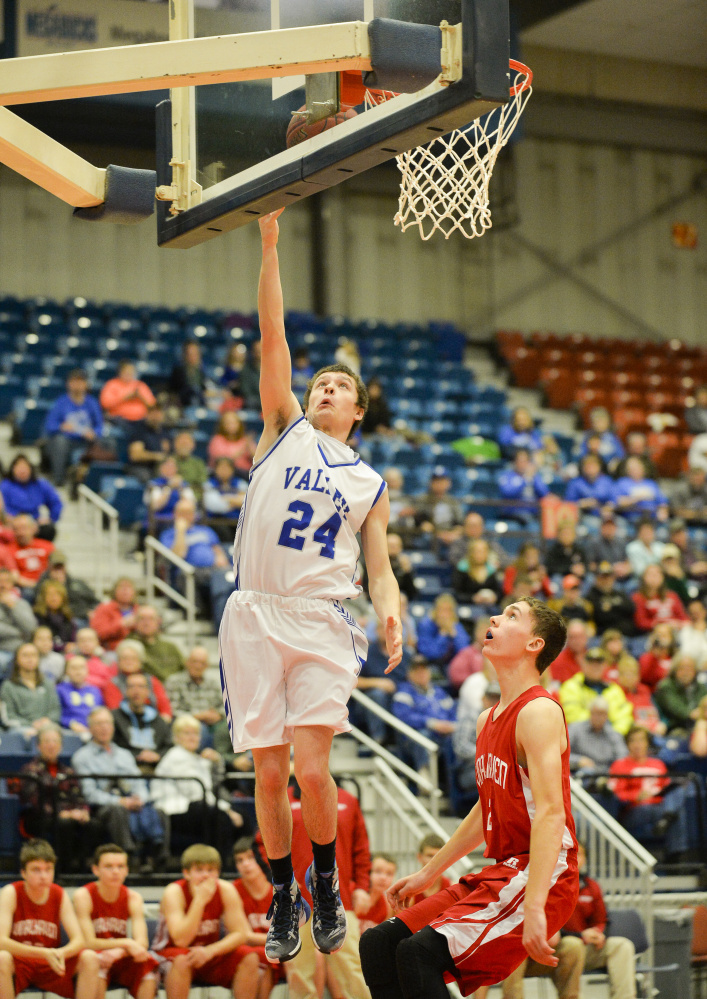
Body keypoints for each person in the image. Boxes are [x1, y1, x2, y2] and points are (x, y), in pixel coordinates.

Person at [218, 210, 402, 964]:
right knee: (267, 768)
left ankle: (325, 879)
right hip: (254, 613)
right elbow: (273, 337)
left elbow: (381, 567)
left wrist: (391, 613)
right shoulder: (282, 426)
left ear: (357, 412)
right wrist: (267, 247)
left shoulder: (368, 479)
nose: (324, 387)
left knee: (314, 766)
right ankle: (282, 892)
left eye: (339, 386)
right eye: (320, 381)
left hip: (323, 616)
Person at [359, 597, 578, 998]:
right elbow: (486, 809)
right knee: (379, 944)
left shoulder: (539, 711)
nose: (496, 617)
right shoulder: (486, 719)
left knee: (418, 954)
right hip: (500, 871)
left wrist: (534, 907)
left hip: (543, 873)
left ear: (535, 645)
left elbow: (551, 813)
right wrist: (428, 873)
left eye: (513, 616)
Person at [499, 840, 630, 999]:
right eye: (568, 854)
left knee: (622, 945)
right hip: (550, 945)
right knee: (570, 945)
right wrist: (581, 936)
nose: (573, 858)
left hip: (582, 945)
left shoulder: (591, 886)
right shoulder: (543, 883)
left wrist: (598, 932)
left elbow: (602, 919)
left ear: (585, 859)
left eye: (578, 854)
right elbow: (549, 930)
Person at [286, 780, 373, 999]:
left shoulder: (347, 800)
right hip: (296, 901)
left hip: (339, 898)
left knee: (352, 966)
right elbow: (263, 844)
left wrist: (362, 887)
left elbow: (361, 848)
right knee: (299, 971)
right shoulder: (283, 798)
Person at [151, 843, 260, 999]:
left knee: (249, 957)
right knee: (182, 960)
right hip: (169, 952)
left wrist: (210, 951)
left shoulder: (225, 889)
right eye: (199, 870)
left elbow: (240, 934)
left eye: (211, 870)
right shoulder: (174, 892)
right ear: (186, 873)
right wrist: (199, 901)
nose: (206, 876)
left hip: (207, 953)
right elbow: (181, 940)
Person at [0, 839, 101, 999]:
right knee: (1, 958)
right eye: (36, 870)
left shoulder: (59, 894)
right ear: (23, 872)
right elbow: (1, 941)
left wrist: (60, 952)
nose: (43, 876)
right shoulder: (11, 892)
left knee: (90, 958)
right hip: (20, 962)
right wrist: (43, 953)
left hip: (51, 963)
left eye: (48, 869)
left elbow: (79, 940)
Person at [72, 707, 166, 870]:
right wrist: (120, 801)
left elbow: (139, 783)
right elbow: (90, 794)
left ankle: (158, 860)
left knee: (159, 811)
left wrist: (139, 798)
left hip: (130, 801)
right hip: (102, 808)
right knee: (118, 810)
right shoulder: (82, 757)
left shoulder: (125, 754)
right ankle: (128, 857)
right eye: (99, 724)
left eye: (108, 723)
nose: (104, 728)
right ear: (91, 728)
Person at [151, 714, 245, 869]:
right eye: (187, 733)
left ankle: (240, 864)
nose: (192, 737)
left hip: (195, 806)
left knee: (243, 816)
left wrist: (217, 762)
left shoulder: (197, 758)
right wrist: (227, 810)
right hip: (175, 811)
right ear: (177, 737)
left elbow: (216, 784)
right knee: (220, 817)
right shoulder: (176, 757)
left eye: (195, 733)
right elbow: (195, 793)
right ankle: (221, 867)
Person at [73, 843, 159, 999]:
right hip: (93, 957)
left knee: (147, 967)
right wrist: (127, 943)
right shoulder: (83, 895)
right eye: (109, 867)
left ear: (127, 870)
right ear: (95, 870)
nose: (115, 872)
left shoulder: (133, 897)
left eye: (120, 866)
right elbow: (88, 942)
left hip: (119, 956)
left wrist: (120, 951)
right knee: (96, 964)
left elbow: (142, 942)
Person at [16, 724, 92, 872]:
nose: (51, 745)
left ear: (61, 746)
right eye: (47, 741)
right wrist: (61, 813)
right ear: (38, 745)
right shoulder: (30, 770)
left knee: (93, 824)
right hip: (38, 817)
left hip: (67, 815)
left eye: (55, 741)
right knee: (64, 824)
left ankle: (82, 868)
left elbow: (78, 795)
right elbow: (35, 800)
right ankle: (63, 871)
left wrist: (83, 811)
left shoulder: (68, 770)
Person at [609, 726, 691, 861]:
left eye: (641, 740)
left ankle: (674, 856)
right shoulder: (619, 765)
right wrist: (635, 796)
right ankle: (667, 818)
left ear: (647, 743)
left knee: (680, 792)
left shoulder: (658, 764)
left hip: (660, 805)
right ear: (627, 744)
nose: (637, 745)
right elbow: (615, 794)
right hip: (636, 809)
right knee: (674, 812)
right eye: (633, 741)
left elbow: (668, 788)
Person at [159, 498, 229, 618]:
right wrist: (180, 531)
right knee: (184, 576)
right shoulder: (169, 534)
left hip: (213, 569)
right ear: (175, 514)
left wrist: (221, 560)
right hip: (190, 571)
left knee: (227, 577)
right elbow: (178, 556)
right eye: (181, 512)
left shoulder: (206, 530)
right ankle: (199, 614)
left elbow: (217, 550)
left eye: (188, 512)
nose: (185, 516)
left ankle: (224, 615)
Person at [392, 655, 456, 775]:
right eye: (417, 670)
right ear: (409, 673)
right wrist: (431, 723)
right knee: (423, 735)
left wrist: (452, 725)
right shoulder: (404, 691)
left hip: (443, 735)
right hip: (415, 738)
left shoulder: (439, 692)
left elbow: (453, 712)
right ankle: (425, 776)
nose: (421, 673)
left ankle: (455, 783)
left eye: (424, 670)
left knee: (457, 736)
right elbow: (404, 716)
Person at [232, 838, 281, 994]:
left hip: (277, 953)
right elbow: (242, 936)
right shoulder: (232, 891)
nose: (245, 864)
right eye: (239, 860)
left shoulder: (280, 891)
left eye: (250, 858)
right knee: (257, 956)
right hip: (248, 952)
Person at [43, 369, 104, 486]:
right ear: (68, 384)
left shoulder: (92, 403)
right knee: (59, 441)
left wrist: (94, 432)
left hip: (86, 441)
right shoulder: (61, 402)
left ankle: (92, 484)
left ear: (86, 384)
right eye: (74, 382)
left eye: (80, 382)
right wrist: (61, 426)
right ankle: (59, 479)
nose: (77, 385)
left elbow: (99, 426)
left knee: (107, 443)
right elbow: (50, 425)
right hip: (67, 441)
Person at [559, 647, 633, 736]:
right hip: (583, 736)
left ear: (605, 666)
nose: (595, 667)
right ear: (583, 664)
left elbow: (624, 716)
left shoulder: (614, 689)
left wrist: (614, 733)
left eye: (599, 663)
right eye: (591, 663)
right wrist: (598, 726)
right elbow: (572, 715)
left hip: (612, 738)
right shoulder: (571, 686)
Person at [111, 672, 173, 775]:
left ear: (148, 691)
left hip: (157, 770)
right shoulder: (115, 717)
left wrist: (158, 755)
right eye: (132, 687)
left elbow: (169, 746)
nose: (136, 691)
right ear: (126, 691)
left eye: (141, 686)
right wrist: (137, 755)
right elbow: (110, 746)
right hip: (125, 769)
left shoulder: (157, 719)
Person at [164, 646, 225, 742]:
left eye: (202, 663)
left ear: (207, 666)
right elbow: (173, 711)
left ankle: (226, 756)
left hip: (214, 723)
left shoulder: (213, 683)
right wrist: (198, 716)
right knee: (200, 729)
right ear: (186, 662)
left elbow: (225, 706)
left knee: (230, 727)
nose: (198, 666)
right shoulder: (174, 681)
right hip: (186, 723)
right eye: (194, 661)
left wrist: (219, 715)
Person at [0, 643, 61, 737]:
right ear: (16, 660)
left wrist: (47, 721)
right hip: (20, 729)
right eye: (25, 655)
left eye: (33, 655)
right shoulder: (8, 686)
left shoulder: (47, 684)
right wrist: (31, 725)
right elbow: (8, 717)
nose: (30, 659)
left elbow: (55, 710)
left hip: (47, 728)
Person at [102, 639, 172, 719]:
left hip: (155, 723)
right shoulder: (113, 684)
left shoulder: (152, 681)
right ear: (118, 661)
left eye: (133, 658)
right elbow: (115, 711)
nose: (129, 662)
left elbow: (165, 709)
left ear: (140, 661)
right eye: (125, 658)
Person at [0, 456, 62, 541]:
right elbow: (2, 509)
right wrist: (8, 520)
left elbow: (56, 503)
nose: (22, 471)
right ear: (13, 470)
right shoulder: (5, 486)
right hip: (12, 522)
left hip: (33, 522)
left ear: (31, 469)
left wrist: (50, 518)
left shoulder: (40, 484)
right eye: (19, 468)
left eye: (25, 468)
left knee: (48, 529)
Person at [35, 549, 99, 624]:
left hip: (83, 617)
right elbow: (44, 605)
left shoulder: (77, 583)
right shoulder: (43, 585)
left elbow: (95, 601)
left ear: (65, 567)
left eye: (60, 567)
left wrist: (92, 611)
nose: (58, 571)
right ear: (49, 567)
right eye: (56, 567)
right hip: (60, 620)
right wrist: (58, 585)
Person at [567, 697, 627, 773]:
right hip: (580, 773)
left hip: (607, 773)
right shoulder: (575, 729)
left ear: (607, 716)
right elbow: (562, 754)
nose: (599, 717)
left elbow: (622, 757)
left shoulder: (613, 734)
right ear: (590, 713)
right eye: (596, 713)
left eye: (602, 714)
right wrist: (578, 760)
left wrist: (615, 768)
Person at [128, 604, 185, 683]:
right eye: (142, 619)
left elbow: (185, 670)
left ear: (158, 621)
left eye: (150, 619)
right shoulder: (129, 647)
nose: (146, 623)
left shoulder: (170, 647)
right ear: (135, 622)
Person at [654, 654, 707, 735]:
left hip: (698, 726)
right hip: (675, 727)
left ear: (695, 671)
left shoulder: (701, 687)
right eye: (682, 668)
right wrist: (692, 714)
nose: (686, 672)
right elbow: (676, 709)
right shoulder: (666, 686)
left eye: (689, 668)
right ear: (675, 670)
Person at [416, 593, 470, 668]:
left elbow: (465, 653)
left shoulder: (456, 626)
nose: (445, 615)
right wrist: (443, 634)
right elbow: (429, 654)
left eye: (448, 611)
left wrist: (454, 635)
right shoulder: (425, 625)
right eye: (442, 610)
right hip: (431, 666)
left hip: (452, 667)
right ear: (435, 611)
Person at [56, 654, 104, 738]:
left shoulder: (95, 691)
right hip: (69, 732)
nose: (78, 672)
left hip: (93, 732)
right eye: (74, 668)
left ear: (87, 670)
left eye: (82, 667)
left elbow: (101, 713)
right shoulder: (60, 690)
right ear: (66, 671)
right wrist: (70, 723)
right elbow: (55, 714)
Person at [632, 564, 688, 634]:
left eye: (658, 574)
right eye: (651, 574)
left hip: (676, 630)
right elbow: (641, 622)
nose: (654, 577)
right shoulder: (638, 597)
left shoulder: (672, 595)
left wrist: (681, 624)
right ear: (643, 578)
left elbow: (683, 617)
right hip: (652, 633)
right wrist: (663, 624)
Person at [0, 567, 37, 671]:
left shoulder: (21, 604)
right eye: (0, 581)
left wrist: (14, 607)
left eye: (6, 581)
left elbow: (31, 628)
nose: (3, 585)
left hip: (22, 650)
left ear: (12, 584)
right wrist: (18, 632)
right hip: (2, 649)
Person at [612, 457, 668, 523]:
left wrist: (663, 511)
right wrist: (636, 498)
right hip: (630, 517)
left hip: (652, 517)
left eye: (638, 467)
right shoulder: (622, 483)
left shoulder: (650, 483)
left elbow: (662, 501)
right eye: (632, 468)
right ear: (627, 470)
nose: (636, 470)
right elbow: (618, 501)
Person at [451, 539, 504, 610]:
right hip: (467, 608)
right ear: (471, 552)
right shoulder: (462, 569)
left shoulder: (491, 569)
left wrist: (494, 597)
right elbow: (457, 594)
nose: (480, 554)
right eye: (477, 551)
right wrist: (473, 598)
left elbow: (498, 592)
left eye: (483, 551)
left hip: (489, 608)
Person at [89, 577, 139, 651]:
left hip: (137, 649)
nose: (125, 591)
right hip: (112, 649)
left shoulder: (139, 610)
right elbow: (98, 633)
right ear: (114, 591)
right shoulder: (104, 609)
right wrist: (121, 624)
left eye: (128, 587)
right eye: (121, 587)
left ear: (134, 592)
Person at [4, 514, 54, 587]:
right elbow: (12, 576)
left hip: (47, 584)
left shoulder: (48, 546)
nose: (21, 533)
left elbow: (57, 569)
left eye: (24, 528)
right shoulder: (8, 550)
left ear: (33, 528)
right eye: (16, 529)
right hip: (22, 587)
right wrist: (35, 585)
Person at [586, 563, 636, 636]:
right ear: (597, 578)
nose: (607, 580)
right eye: (603, 577)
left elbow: (631, 608)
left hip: (627, 634)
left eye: (609, 576)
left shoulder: (619, 593)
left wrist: (612, 607)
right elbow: (600, 616)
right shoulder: (591, 596)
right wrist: (619, 607)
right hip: (605, 635)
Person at [126, 404, 172, 483]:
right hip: (141, 467)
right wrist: (156, 456)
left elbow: (169, 453)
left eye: (158, 413)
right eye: (152, 413)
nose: (155, 417)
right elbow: (135, 455)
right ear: (147, 414)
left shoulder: (165, 433)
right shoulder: (139, 430)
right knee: (147, 478)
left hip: (159, 467)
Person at [584, 514, 632, 579]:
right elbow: (591, 565)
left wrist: (625, 569)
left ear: (615, 528)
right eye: (606, 526)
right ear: (601, 527)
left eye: (611, 526)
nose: (609, 529)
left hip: (620, 576)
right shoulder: (594, 543)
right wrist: (610, 569)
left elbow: (627, 562)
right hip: (601, 577)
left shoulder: (621, 542)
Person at [168, 340, 212, 410]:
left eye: (195, 354)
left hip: (199, 403)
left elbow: (204, 390)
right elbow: (173, 392)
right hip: (181, 405)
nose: (193, 357)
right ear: (185, 355)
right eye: (190, 354)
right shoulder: (178, 370)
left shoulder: (200, 371)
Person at [33, 579, 75, 651]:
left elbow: (72, 640)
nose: (54, 598)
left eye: (57, 594)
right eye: (50, 594)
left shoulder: (67, 616)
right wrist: (63, 647)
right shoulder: (37, 616)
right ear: (43, 597)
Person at [359, 854, 397, 934]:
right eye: (377, 871)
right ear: (367, 871)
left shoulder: (388, 906)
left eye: (389, 874)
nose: (383, 878)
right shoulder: (353, 894)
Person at [548, 619, 592, 685]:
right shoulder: (557, 662)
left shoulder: (595, 660)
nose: (577, 641)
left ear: (587, 637)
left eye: (580, 636)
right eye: (572, 637)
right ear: (566, 638)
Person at [172, 431, 209, 501]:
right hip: (169, 496)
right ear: (175, 444)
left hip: (193, 497)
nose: (184, 445)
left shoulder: (199, 463)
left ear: (193, 445)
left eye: (186, 443)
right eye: (181, 443)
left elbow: (202, 483)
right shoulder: (167, 461)